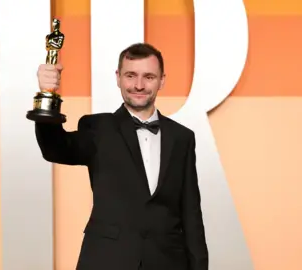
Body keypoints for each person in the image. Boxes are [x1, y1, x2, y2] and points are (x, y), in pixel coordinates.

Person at [35, 43, 208, 270]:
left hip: (167, 263)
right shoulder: (97, 128)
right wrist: (47, 95)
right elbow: (54, 148)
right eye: (130, 75)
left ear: (162, 80)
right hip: (106, 260)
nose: (138, 85)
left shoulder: (182, 138)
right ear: (118, 78)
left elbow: (191, 214)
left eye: (148, 76)